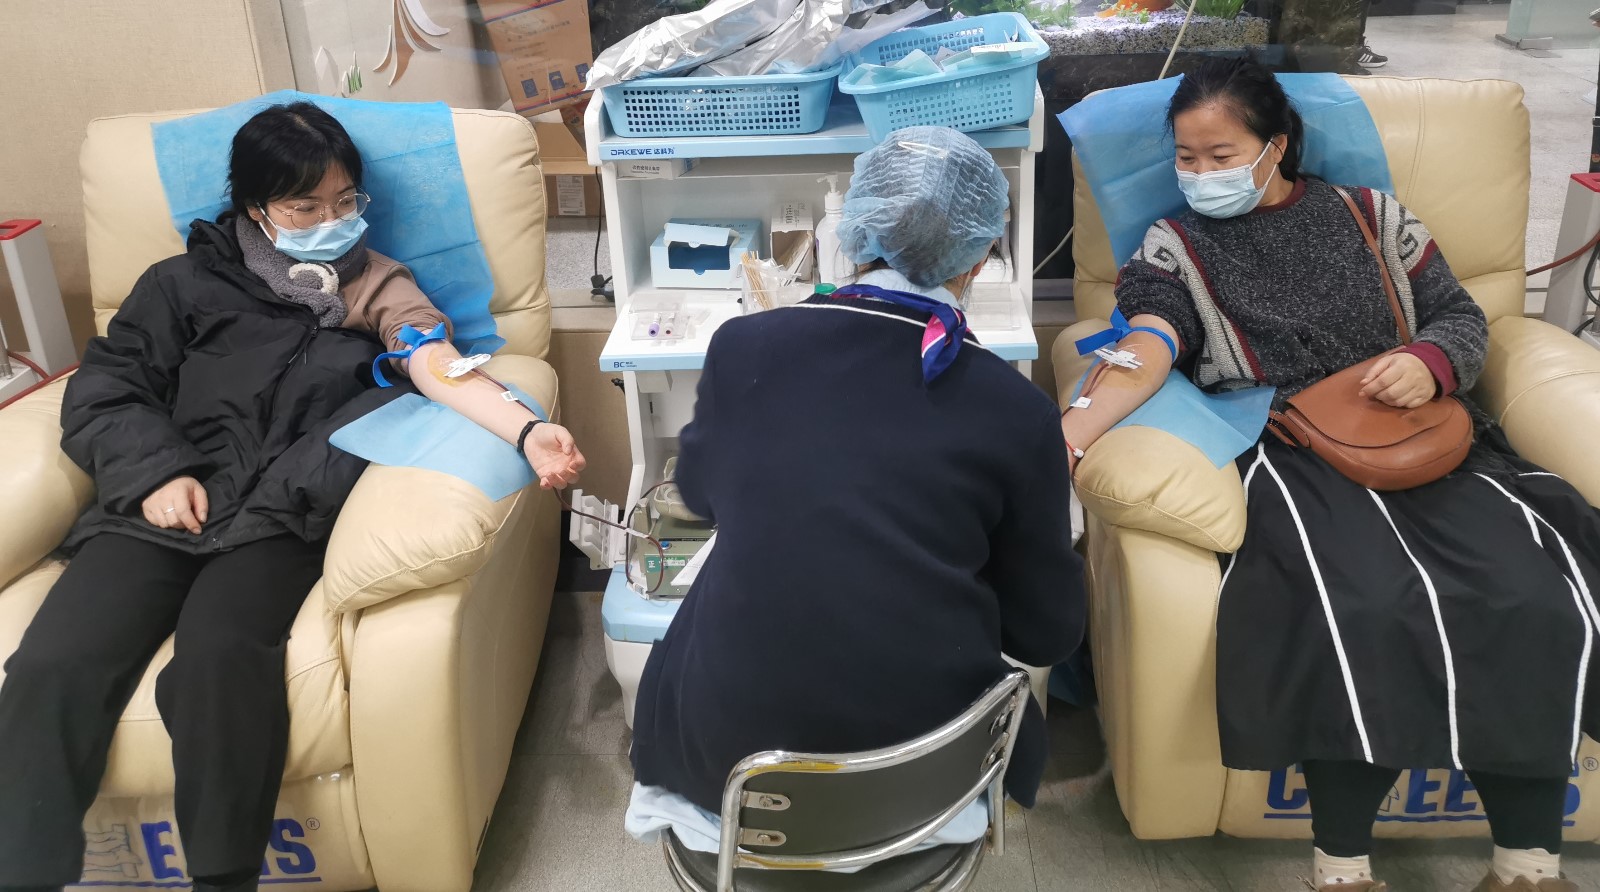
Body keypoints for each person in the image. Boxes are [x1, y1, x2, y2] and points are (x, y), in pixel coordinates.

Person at [0, 102, 585, 892]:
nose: (331, 222)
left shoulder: (377, 285)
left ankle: (222, 879)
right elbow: (108, 386)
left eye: (345, 201)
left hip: (280, 519)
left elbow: (435, 361)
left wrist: (527, 429)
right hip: (154, 511)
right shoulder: (179, 286)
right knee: (54, 664)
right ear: (255, 208)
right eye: (304, 206)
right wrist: (155, 473)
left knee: (221, 661)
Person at [1060, 58, 1598, 892]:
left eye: (1221, 155)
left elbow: (1459, 314)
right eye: (1187, 158)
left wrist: (1428, 362)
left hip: (1424, 438)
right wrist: (1069, 435)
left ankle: (1526, 865)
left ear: (1276, 145)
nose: (1201, 174)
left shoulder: (1374, 217)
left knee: (1529, 591)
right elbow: (1148, 342)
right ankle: (1343, 867)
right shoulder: (1175, 245)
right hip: (1291, 452)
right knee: (1358, 605)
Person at [626, 127, 1085, 849]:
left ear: (851, 232)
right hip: (925, 784)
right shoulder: (1016, 411)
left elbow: (701, 495)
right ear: (981, 256)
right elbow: (1047, 633)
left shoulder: (745, 348)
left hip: (728, 770)